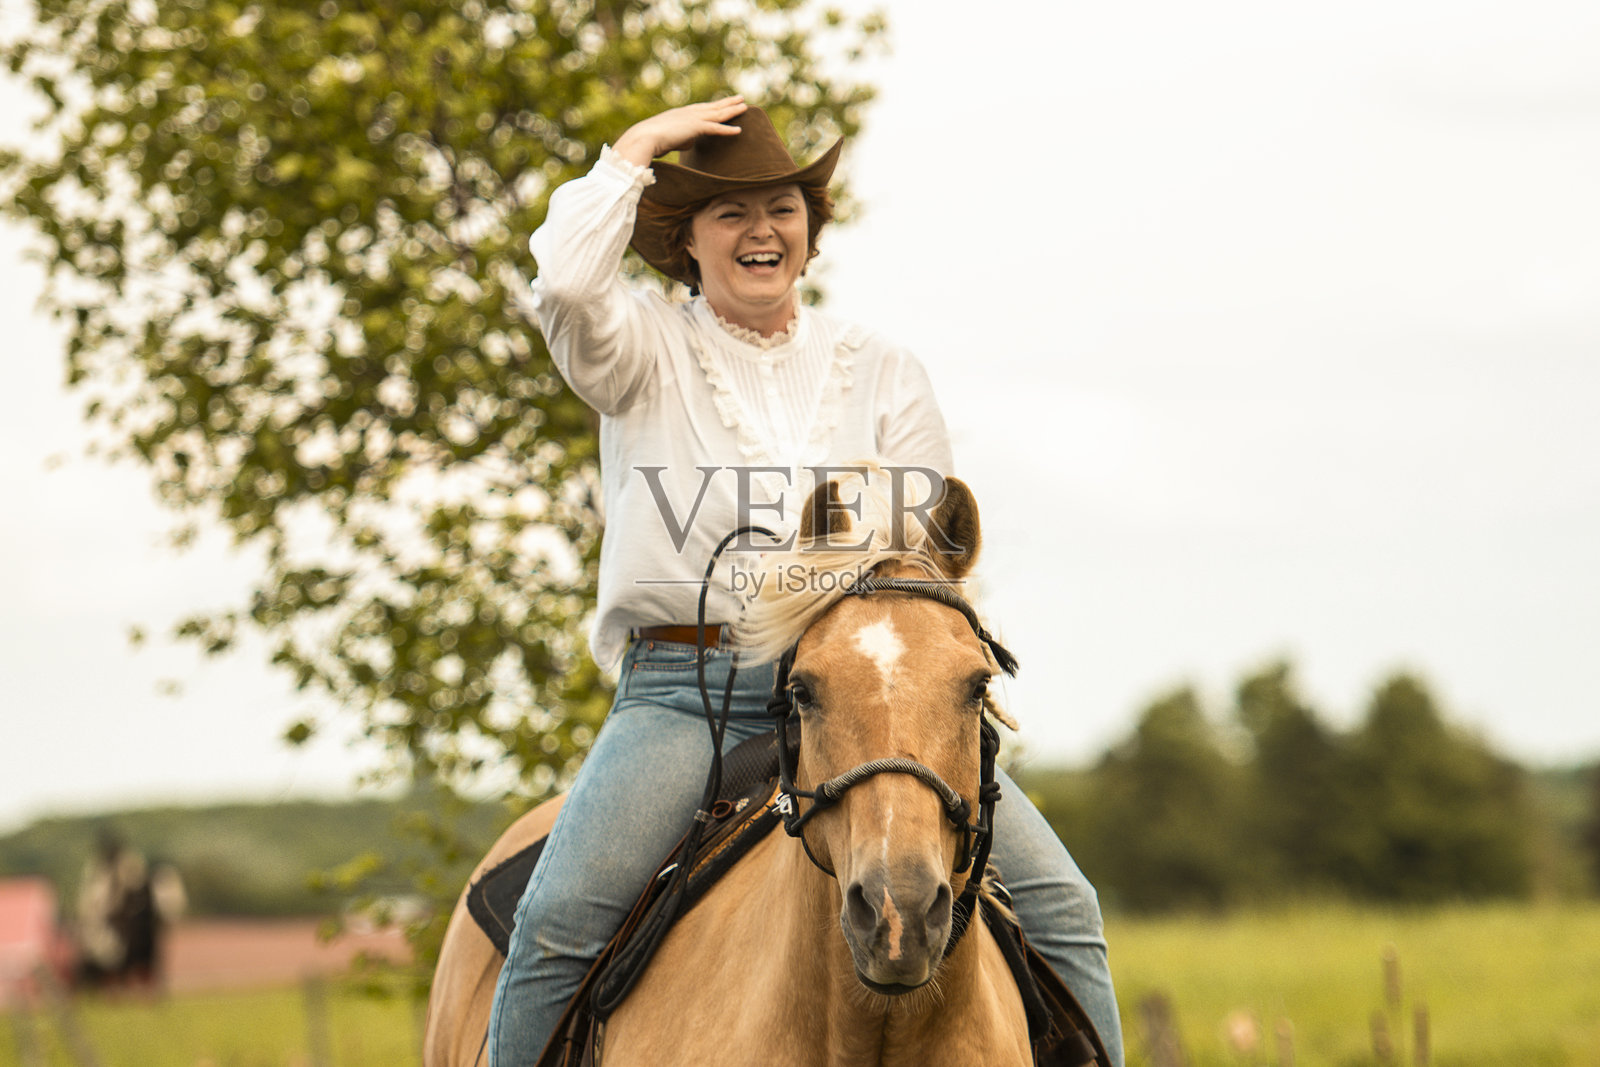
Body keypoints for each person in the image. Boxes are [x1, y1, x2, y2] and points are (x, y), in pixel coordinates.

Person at [488, 96, 1124, 1065]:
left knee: (1067, 911)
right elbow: (567, 288)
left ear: (810, 236)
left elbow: (919, 565)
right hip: (685, 698)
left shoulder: (882, 370)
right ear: (686, 242)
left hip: (872, 702)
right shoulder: (638, 350)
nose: (760, 231)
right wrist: (632, 152)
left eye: (781, 208)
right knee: (554, 925)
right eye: (729, 212)